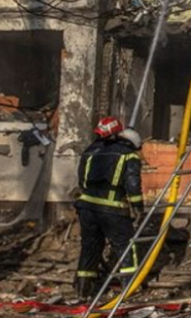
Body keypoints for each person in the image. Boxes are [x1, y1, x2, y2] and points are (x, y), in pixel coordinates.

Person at [74, 117, 145, 299]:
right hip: (112, 209)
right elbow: (133, 184)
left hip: (87, 208)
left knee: (90, 247)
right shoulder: (128, 154)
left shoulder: (89, 152)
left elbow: (82, 181)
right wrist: (137, 207)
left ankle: (83, 290)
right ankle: (130, 288)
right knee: (125, 246)